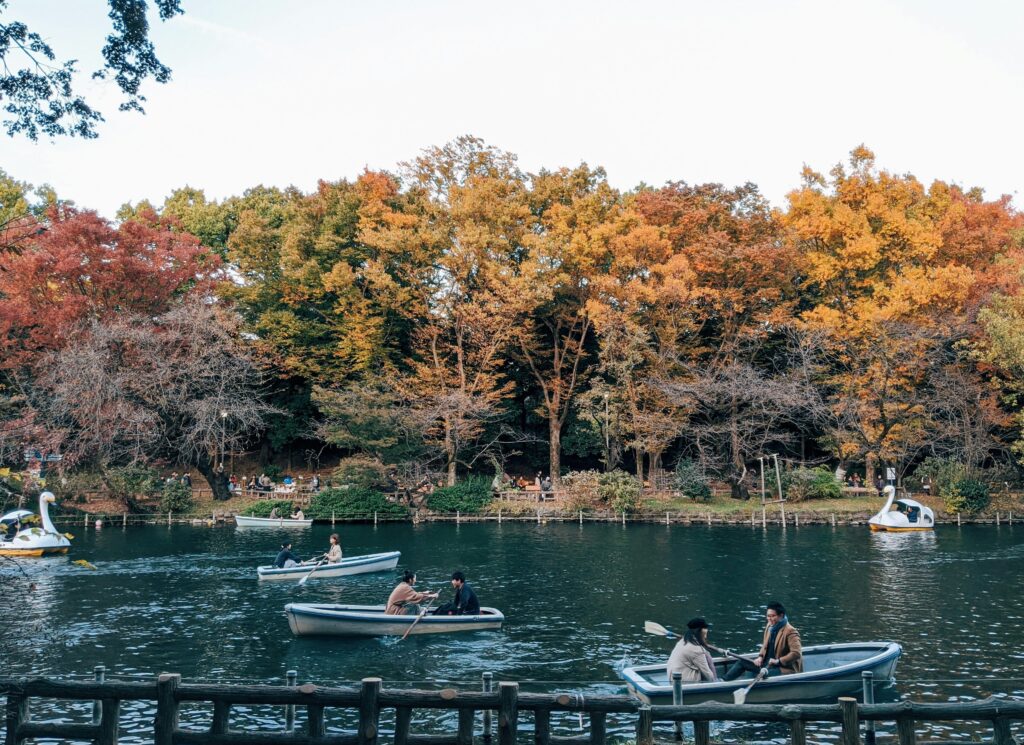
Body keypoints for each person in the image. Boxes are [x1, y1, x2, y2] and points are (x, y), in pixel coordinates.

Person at [723, 601, 803, 680]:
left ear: (781, 616)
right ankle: (723, 681)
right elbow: (765, 645)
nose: (769, 619)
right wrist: (760, 657)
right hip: (766, 664)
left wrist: (778, 661)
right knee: (742, 662)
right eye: (768, 616)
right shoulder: (769, 625)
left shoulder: (791, 631)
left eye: (772, 616)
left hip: (783, 668)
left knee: (757, 674)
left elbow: (796, 653)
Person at [666, 617, 718, 682]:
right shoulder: (696, 650)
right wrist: (715, 681)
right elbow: (708, 674)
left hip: (672, 678)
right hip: (682, 683)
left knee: (707, 654)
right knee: (707, 660)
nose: (707, 630)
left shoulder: (682, 641)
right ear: (700, 631)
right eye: (705, 628)